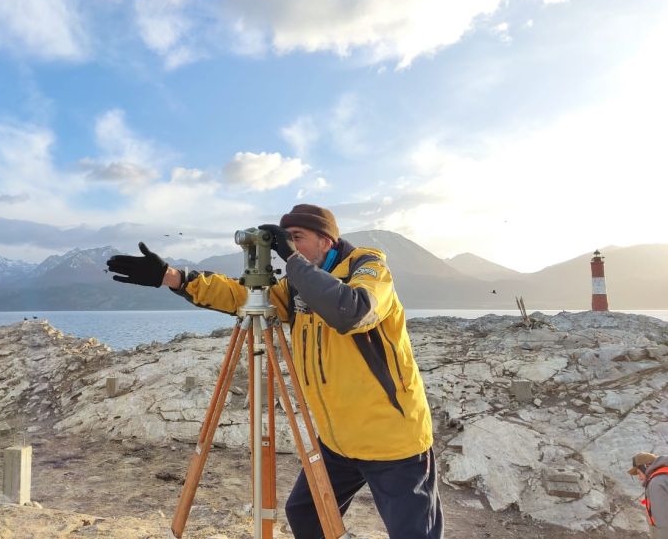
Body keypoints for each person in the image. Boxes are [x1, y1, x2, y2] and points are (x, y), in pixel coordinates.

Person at [106, 204, 443, 539]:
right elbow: (244, 296)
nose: (288, 248)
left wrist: (293, 260)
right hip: (337, 441)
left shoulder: (368, 268)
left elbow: (351, 311)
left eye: (297, 238)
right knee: (306, 516)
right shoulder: (297, 286)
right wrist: (174, 278)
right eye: (286, 240)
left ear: (327, 240)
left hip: (393, 442)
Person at [629, 452, 668, 539]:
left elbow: (664, 524)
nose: (640, 478)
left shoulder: (656, 483)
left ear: (646, 466)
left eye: (639, 473)